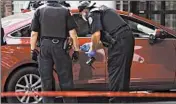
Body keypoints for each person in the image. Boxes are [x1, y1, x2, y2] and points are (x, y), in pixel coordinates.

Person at [78, 1, 135, 103]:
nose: (82, 15)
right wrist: (91, 45)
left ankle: (116, 101)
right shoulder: (102, 11)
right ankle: (122, 101)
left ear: (84, 10)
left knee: (116, 71)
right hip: (124, 39)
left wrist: (92, 50)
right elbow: (109, 39)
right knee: (122, 74)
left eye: (81, 12)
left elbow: (96, 35)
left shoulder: (93, 13)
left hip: (120, 41)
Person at [30, 1, 79, 103]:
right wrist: (76, 50)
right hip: (60, 47)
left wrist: (33, 49)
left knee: (46, 80)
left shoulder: (39, 10)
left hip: (45, 47)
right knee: (66, 80)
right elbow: (73, 33)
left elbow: (34, 33)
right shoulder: (65, 11)